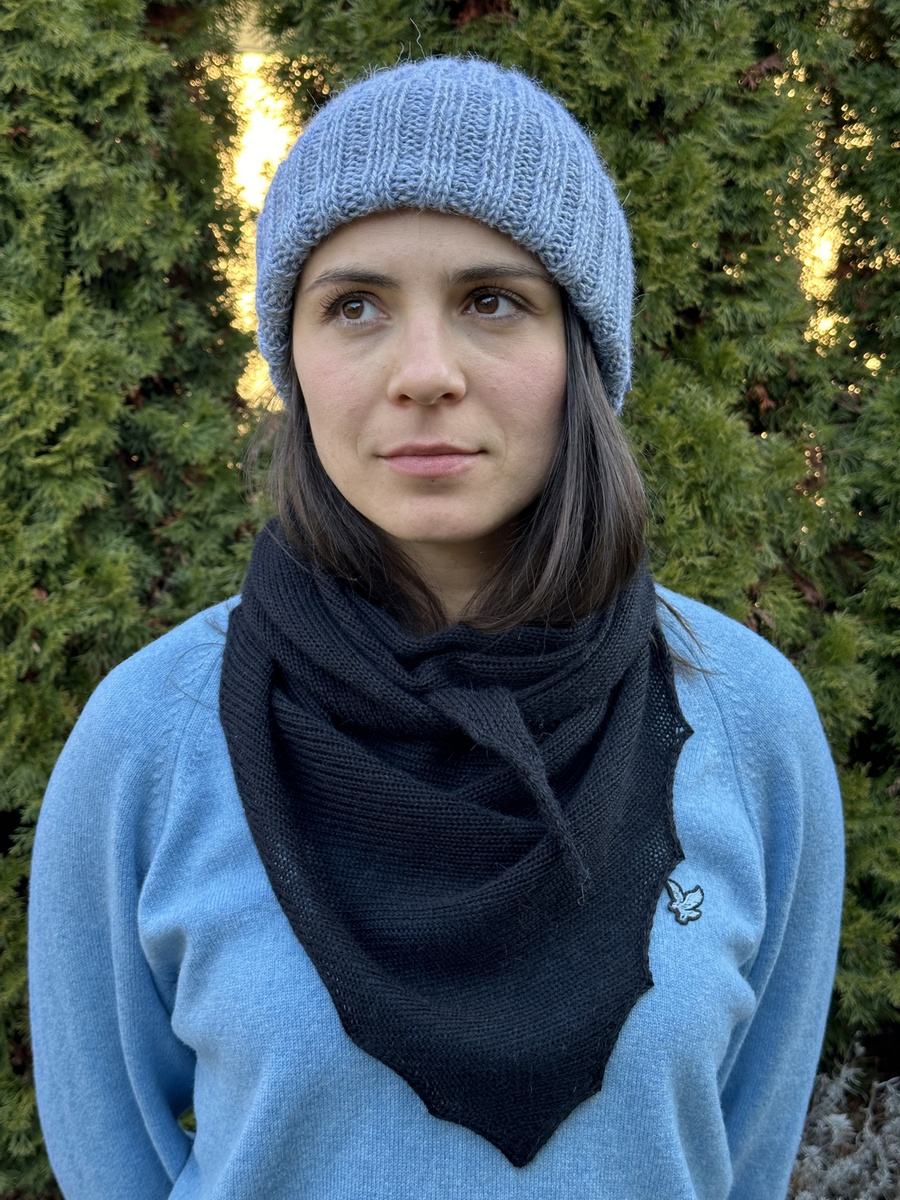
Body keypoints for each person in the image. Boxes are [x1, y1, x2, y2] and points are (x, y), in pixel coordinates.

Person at [28, 56, 844, 1200]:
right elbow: (109, 1146)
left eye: (491, 301)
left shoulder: (748, 724)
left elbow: (739, 1154)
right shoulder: (151, 739)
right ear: (294, 357)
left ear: (583, 347)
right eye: (354, 305)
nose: (424, 374)